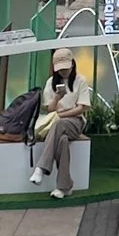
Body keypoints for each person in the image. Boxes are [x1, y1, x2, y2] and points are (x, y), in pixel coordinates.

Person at [29, 52, 90, 200]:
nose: (64, 71)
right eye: (61, 69)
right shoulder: (51, 83)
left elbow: (82, 108)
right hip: (57, 123)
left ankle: (41, 167)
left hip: (75, 122)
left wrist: (62, 114)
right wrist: (57, 97)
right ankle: (64, 186)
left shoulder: (80, 80)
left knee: (59, 123)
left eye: (66, 68)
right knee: (62, 140)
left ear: (72, 64)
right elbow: (50, 109)